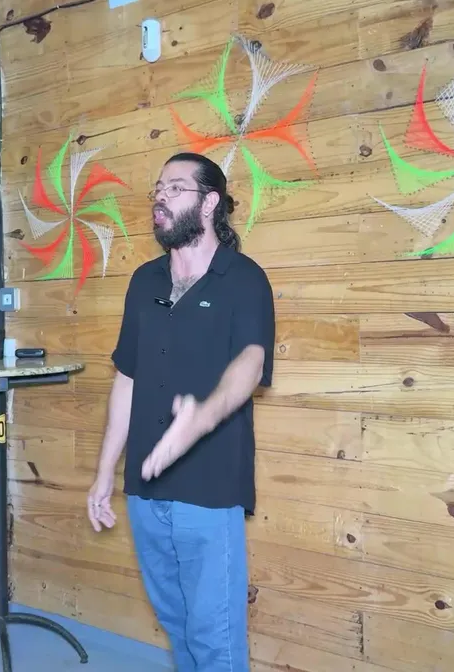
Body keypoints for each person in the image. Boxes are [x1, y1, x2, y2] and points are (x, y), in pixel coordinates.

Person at [86, 151, 275, 671]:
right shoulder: (144, 281)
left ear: (209, 202)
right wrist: (104, 472)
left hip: (210, 487)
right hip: (144, 486)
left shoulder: (244, 279)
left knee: (215, 638)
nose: (160, 198)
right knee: (176, 624)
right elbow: (127, 378)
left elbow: (251, 362)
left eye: (174, 188)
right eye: (158, 189)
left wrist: (201, 419)